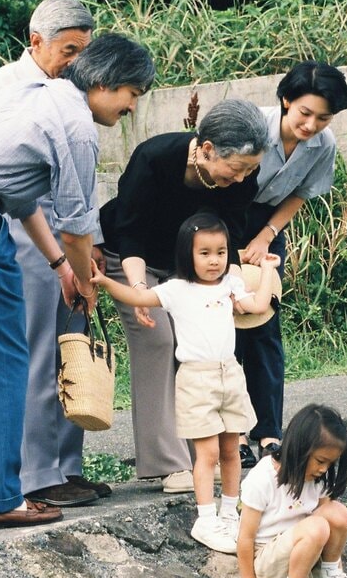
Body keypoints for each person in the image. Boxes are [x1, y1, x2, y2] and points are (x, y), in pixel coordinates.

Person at [0, 35, 155, 529]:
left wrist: (61, 267)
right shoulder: (79, 127)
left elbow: (23, 200)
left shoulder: (34, 95)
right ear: (104, 82)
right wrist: (84, 279)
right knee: (1, 356)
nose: (132, 105)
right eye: (133, 93)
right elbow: (77, 225)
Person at [0, 0, 106, 507]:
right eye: (68, 50)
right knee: (36, 351)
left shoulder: (77, 95)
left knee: (74, 344)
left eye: (84, 51)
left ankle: (67, 466)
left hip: (70, 232)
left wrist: (91, 249)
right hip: (24, 228)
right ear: (36, 42)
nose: (77, 61)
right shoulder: (2, 88)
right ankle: (36, 473)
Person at [98, 99, 269, 494]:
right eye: (237, 168)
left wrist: (236, 292)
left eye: (251, 169)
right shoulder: (155, 157)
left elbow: (231, 240)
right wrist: (140, 290)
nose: (243, 179)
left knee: (197, 347)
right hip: (128, 259)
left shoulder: (243, 182)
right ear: (207, 149)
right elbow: (130, 233)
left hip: (188, 268)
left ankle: (202, 456)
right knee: (157, 339)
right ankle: (168, 464)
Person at [93, 213, 280, 552]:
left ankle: (229, 513)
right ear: (187, 254)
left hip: (230, 375)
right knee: (206, 453)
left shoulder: (230, 286)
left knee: (231, 450)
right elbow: (139, 299)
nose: (214, 260)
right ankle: (206, 517)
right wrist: (105, 283)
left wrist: (267, 270)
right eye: (204, 253)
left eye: (221, 252)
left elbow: (259, 304)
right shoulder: (177, 289)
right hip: (196, 379)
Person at [235, 62, 347, 469]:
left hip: (267, 227)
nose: (311, 124)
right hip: (222, 225)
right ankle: (231, 435)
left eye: (323, 117)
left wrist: (265, 236)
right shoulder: (252, 127)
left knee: (264, 328)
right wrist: (232, 245)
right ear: (286, 101)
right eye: (305, 113)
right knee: (226, 330)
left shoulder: (325, 144)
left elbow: (300, 194)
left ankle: (268, 431)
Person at [233, 403, 347, 578]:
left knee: (338, 513)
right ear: (299, 449)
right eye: (320, 461)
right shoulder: (263, 478)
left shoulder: (317, 479)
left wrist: (335, 566)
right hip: (269, 564)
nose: (324, 469)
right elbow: (245, 537)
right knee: (317, 526)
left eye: (330, 464)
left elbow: (329, 523)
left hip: (304, 556)